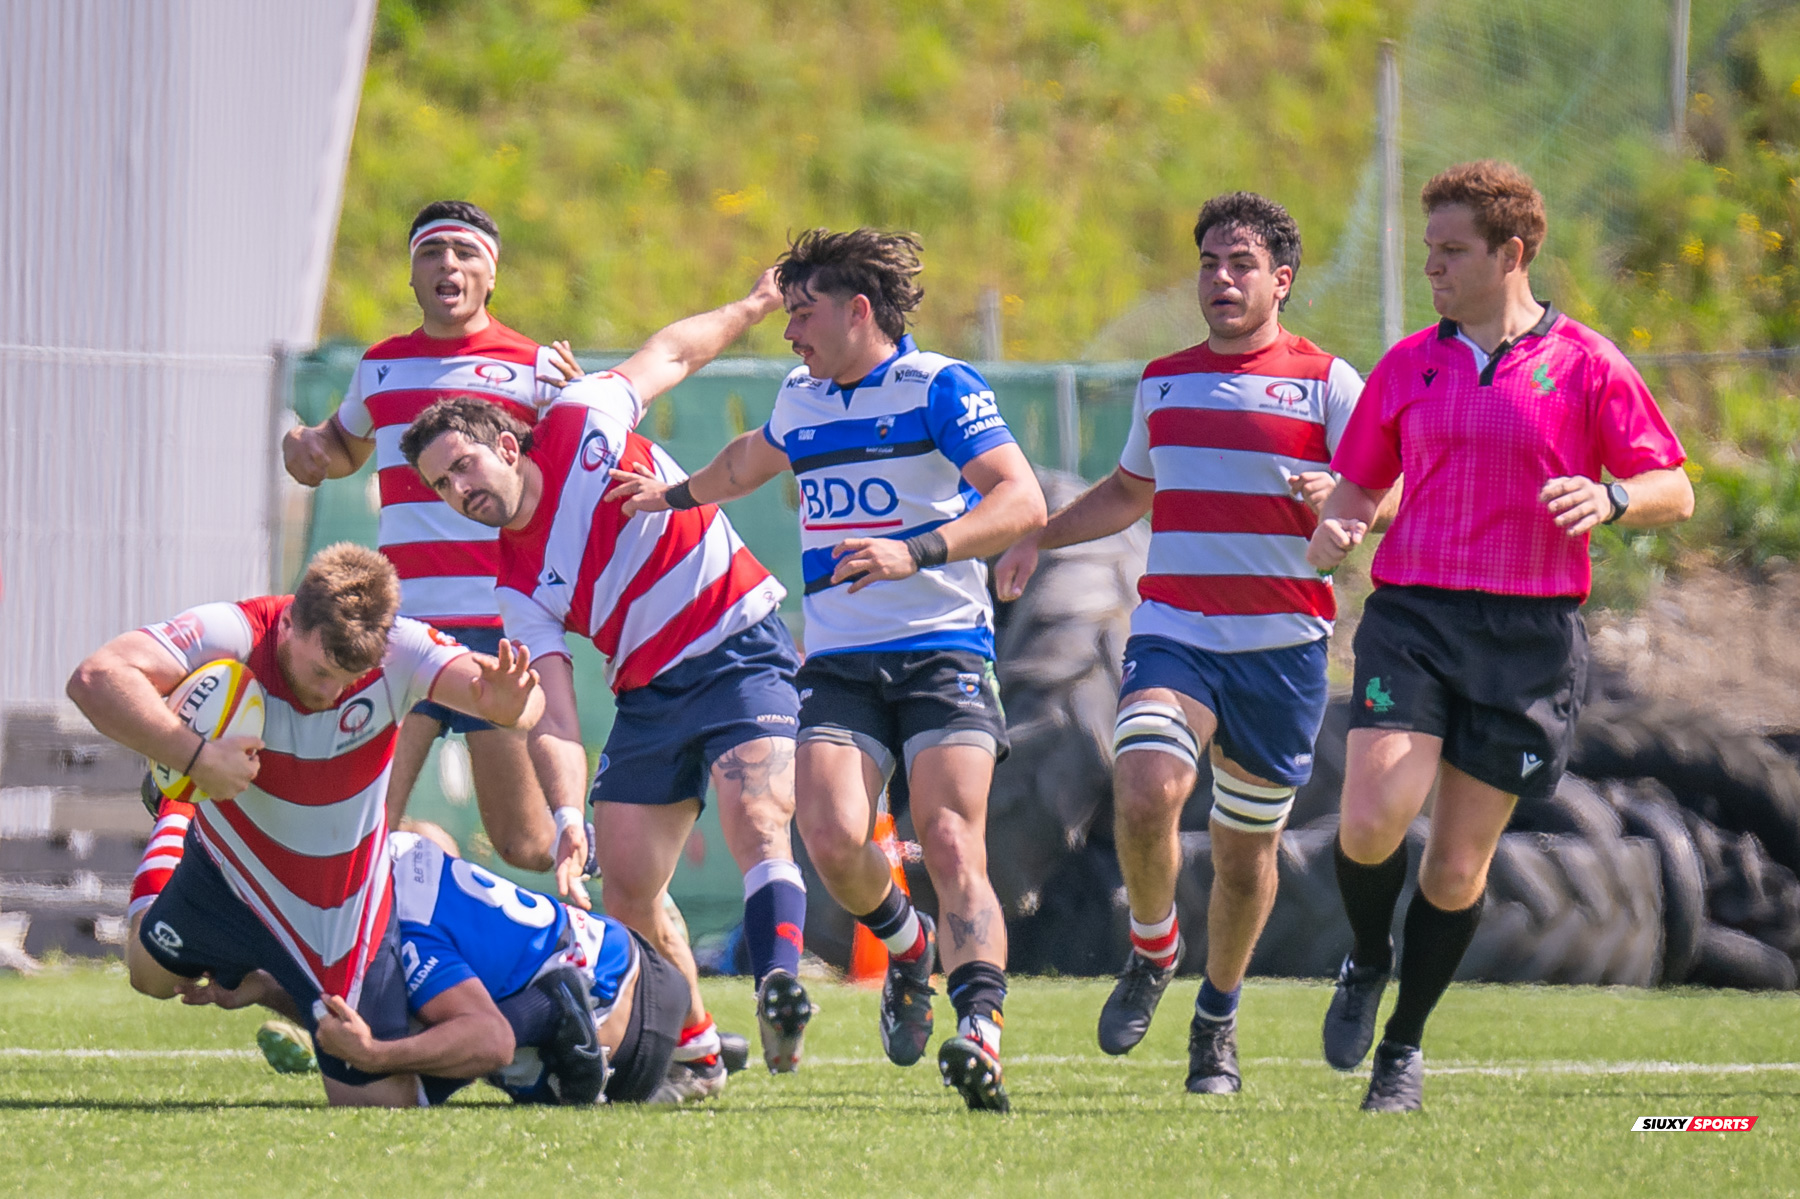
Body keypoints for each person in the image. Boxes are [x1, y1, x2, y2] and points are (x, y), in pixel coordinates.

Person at [604, 228, 1047, 1111]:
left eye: (803, 314)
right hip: (842, 661)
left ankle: (982, 1035)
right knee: (834, 840)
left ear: (859, 311)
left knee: (954, 838)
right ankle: (909, 947)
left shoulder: (941, 386)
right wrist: (673, 493)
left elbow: (1021, 496)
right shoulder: (803, 397)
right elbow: (747, 461)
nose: (790, 332)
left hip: (945, 651)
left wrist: (914, 551)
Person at [1306, 160, 1692, 1112]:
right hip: (1415, 618)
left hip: (1527, 637)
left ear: (1511, 253)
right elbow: (1361, 481)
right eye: (1428, 247)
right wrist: (1340, 522)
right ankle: (1365, 956)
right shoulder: (1410, 363)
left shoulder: (1589, 364)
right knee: (1369, 817)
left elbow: (1673, 486)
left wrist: (1611, 495)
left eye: (1452, 250)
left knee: (1456, 865)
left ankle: (1402, 1044)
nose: (1432, 266)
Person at [995, 192, 1381, 1094]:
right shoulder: (1164, 381)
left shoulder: (1330, 382)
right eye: (1209, 262)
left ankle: (1218, 1016)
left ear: (1281, 280)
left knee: (1247, 856)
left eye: (1241, 264)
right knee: (1145, 783)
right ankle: (1153, 946)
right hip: (1176, 632)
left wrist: (1345, 506)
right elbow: (1129, 492)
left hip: (1283, 651)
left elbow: (1382, 494)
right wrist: (1037, 535)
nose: (1220, 279)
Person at [400, 268, 807, 1092]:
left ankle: (780, 985)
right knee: (623, 885)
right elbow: (551, 716)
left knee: (756, 813)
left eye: (465, 464)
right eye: (443, 484)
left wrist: (756, 305)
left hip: (736, 641)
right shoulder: (514, 586)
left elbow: (672, 352)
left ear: (507, 445)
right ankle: (695, 1045)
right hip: (650, 690)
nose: (460, 490)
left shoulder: (584, 413)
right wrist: (563, 816)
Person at [67, 544, 545, 1107]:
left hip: (341, 911)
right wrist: (194, 759)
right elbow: (96, 677)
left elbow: (508, 699)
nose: (331, 692)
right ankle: (181, 808)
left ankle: (270, 982)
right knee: (149, 974)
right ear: (290, 620)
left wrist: (514, 705)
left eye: (351, 677)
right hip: (231, 874)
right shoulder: (235, 631)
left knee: (374, 1105)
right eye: (321, 670)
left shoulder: (405, 648)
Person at [282, 200, 580, 870]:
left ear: (491, 274)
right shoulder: (380, 366)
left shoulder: (537, 369)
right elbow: (338, 445)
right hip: (401, 632)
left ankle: (623, 895)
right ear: (412, 275)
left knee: (528, 843)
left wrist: (580, 399)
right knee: (363, 825)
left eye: (465, 251)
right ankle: (353, 965)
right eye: (432, 252)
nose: (449, 263)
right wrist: (302, 448)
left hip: (501, 632)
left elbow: (569, 482)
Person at [314, 830, 695, 1105]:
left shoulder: (405, 930)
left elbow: (491, 1041)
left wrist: (374, 1053)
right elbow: (429, 836)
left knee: (404, 1078)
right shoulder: (401, 847)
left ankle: (551, 1012)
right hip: (614, 951)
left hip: (624, 1017)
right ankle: (554, 1012)